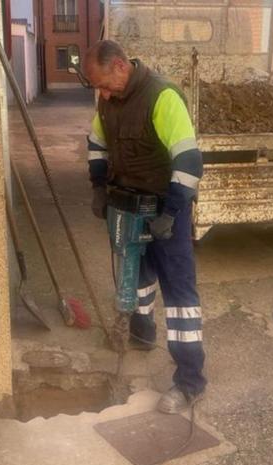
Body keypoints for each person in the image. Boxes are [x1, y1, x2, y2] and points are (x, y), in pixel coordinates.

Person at [83, 40, 205, 414]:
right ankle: (141, 333)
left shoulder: (162, 97)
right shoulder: (108, 101)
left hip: (165, 208)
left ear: (121, 66)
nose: (101, 94)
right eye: (97, 88)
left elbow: (188, 160)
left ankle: (189, 382)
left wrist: (171, 213)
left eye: (104, 83)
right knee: (137, 276)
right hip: (128, 205)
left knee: (180, 297)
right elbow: (96, 144)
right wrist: (100, 187)